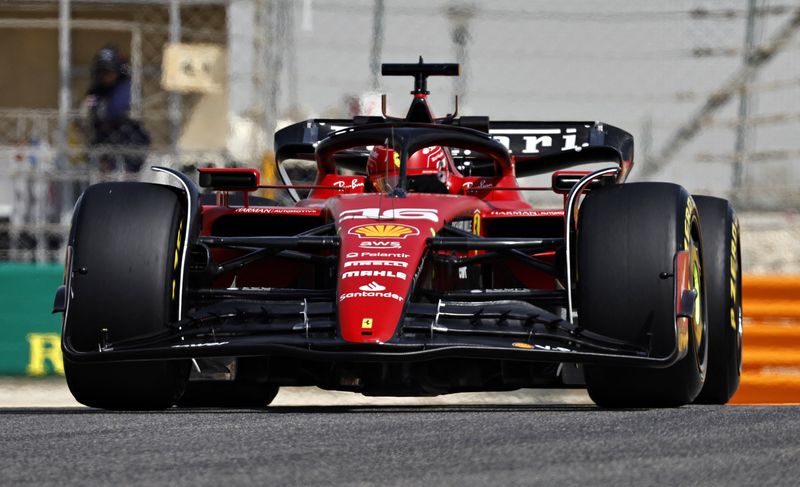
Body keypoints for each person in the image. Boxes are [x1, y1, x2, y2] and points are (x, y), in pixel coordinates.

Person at [83, 47, 149, 173]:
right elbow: (90, 109)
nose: (106, 76)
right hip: (104, 144)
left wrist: (103, 109)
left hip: (129, 144)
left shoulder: (126, 88)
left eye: (109, 71)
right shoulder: (96, 90)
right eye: (102, 72)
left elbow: (115, 110)